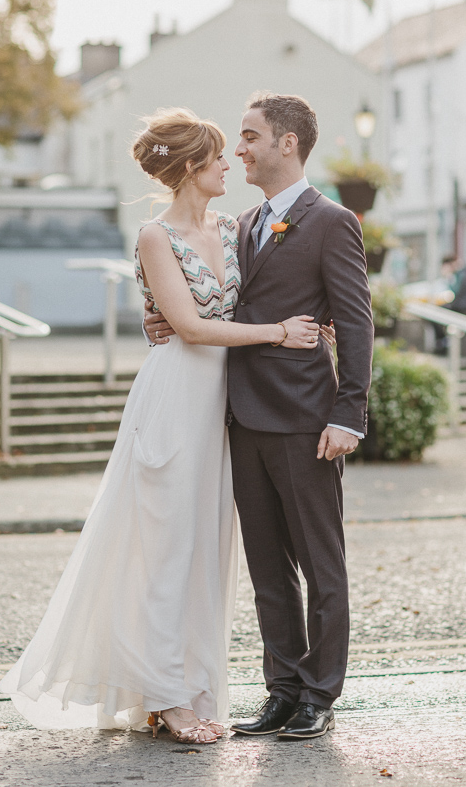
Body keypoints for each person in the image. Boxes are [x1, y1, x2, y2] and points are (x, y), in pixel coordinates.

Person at [0, 107, 323, 744]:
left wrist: (315, 321)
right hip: (174, 401)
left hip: (222, 409)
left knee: (205, 551)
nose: (231, 164)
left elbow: (261, 293)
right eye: (220, 157)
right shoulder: (154, 235)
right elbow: (195, 327)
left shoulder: (236, 227)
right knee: (165, 549)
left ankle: (194, 688)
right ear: (191, 168)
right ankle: (166, 697)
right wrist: (278, 334)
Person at [145, 93, 374, 740]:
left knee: (321, 567)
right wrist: (163, 316)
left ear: (287, 144)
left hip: (307, 422)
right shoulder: (239, 224)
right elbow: (207, 305)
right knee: (269, 572)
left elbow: (355, 322)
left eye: (249, 136)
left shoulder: (333, 221)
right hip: (240, 420)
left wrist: (348, 412)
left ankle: (319, 695)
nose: (237, 148)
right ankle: (282, 689)